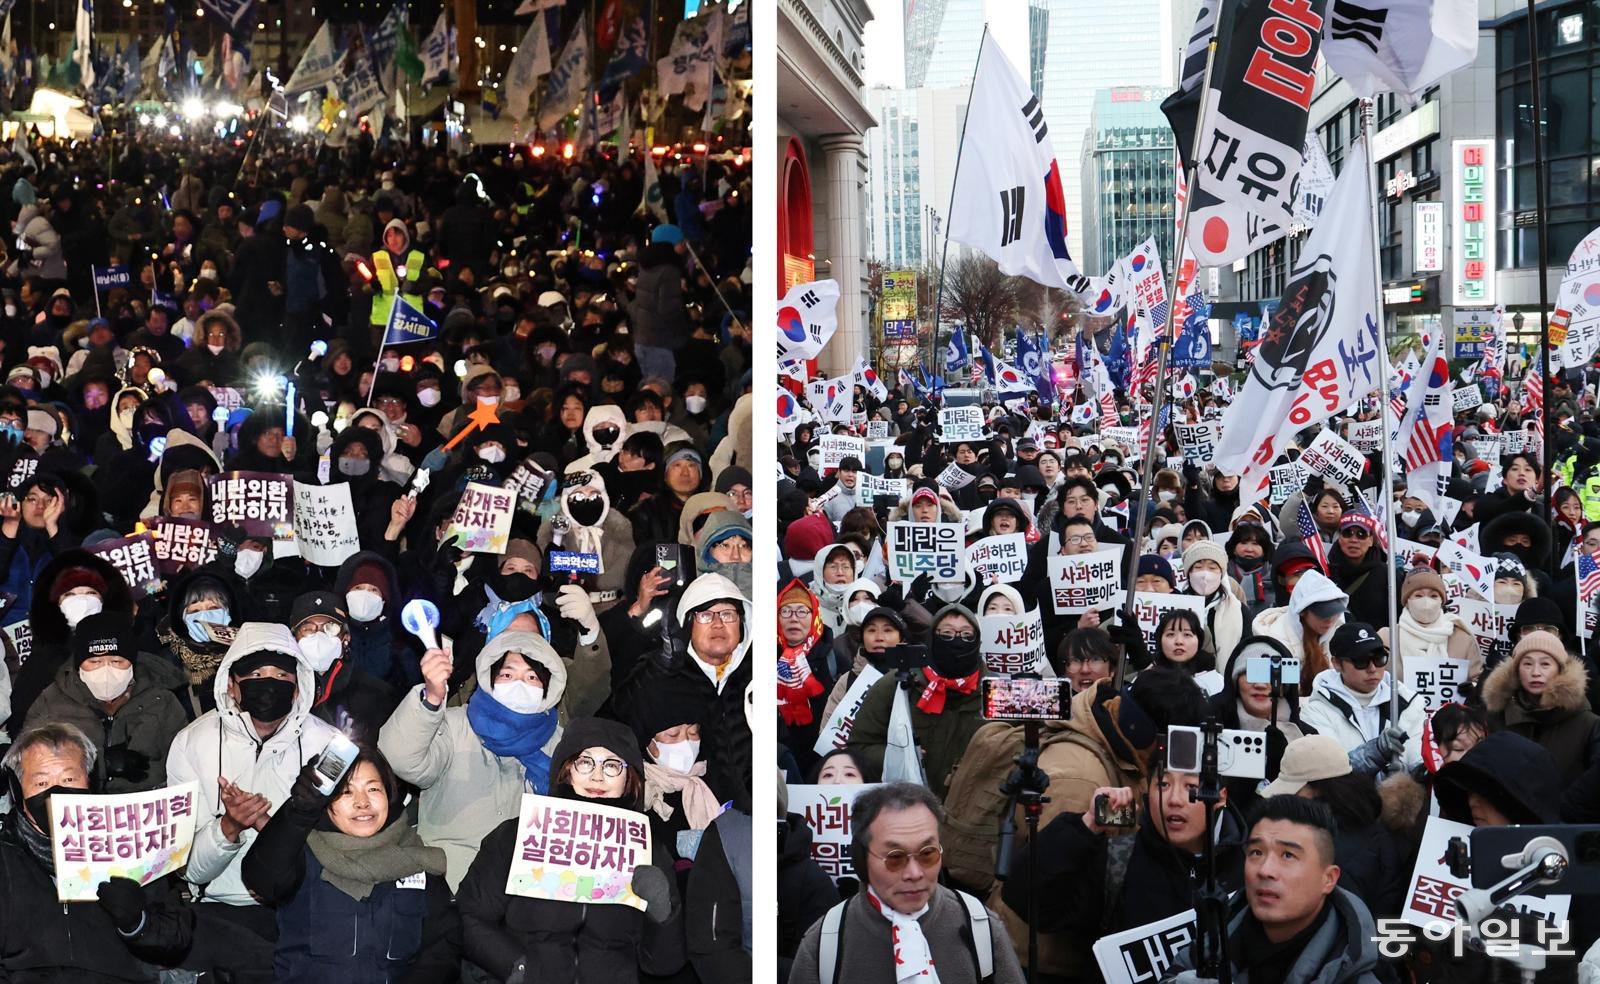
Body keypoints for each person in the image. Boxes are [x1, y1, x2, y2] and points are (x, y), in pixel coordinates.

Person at [164, 622, 339, 984]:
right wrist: (228, 828)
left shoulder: (328, 747)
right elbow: (190, 871)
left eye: (280, 675)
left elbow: (339, 852)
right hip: (218, 910)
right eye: (256, 674)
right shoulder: (191, 743)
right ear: (231, 683)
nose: (268, 683)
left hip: (305, 910)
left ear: (297, 687)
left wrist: (275, 829)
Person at [458, 717, 684, 984]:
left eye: (612, 765)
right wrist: (516, 967)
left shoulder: (647, 849)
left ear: (629, 777)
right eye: (585, 762)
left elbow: (664, 964)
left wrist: (662, 914)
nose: (597, 776)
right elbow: (468, 916)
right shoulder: (515, 836)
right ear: (566, 769)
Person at [241, 748, 461, 982]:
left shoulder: (416, 859)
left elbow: (442, 950)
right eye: (346, 792)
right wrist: (298, 813)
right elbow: (263, 880)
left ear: (390, 794)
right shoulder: (301, 854)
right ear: (325, 803)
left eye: (373, 789)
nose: (362, 802)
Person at [0, 723, 195, 980]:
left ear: (90, 783)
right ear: (17, 791)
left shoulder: (131, 843)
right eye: (41, 782)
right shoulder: (5, 858)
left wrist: (137, 922)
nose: (56, 792)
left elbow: (175, 939)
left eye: (69, 779)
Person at [378, 630, 570, 891]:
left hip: (524, 893)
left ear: (548, 688)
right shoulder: (455, 724)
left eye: (532, 677)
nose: (519, 684)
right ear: (490, 678)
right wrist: (432, 699)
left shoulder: (560, 744)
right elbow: (401, 758)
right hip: (449, 885)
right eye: (507, 674)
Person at [786, 782, 1027, 984]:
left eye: (927, 853)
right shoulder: (825, 942)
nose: (914, 873)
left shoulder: (981, 928)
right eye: (895, 858)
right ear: (861, 860)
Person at [1000, 752, 1245, 942]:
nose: (1174, 800)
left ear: (1220, 797)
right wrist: (1085, 826)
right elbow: (1027, 901)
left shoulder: (1248, 867)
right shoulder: (1118, 861)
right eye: (1163, 784)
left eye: (1191, 787)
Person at [1164, 796, 1383, 984]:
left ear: (1328, 878)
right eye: (1257, 853)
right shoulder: (1213, 942)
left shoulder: (1351, 975)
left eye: (1288, 855)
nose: (1265, 870)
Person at [22, 610, 186, 792]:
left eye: (116, 661)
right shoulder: (50, 704)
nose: (106, 671)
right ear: (79, 665)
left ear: (132, 663)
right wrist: (99, 764)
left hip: (146, 810)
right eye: (94, 662)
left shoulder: (161, 701)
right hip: (81, 811)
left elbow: (185, 763)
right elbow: (31, 764)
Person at [845, 604, 986, 799]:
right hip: (907, 806)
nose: (956, 640)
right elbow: (859, 746)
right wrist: (900, 757)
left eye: (966, 634)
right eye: (947, 633)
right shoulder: (897, 684)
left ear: (977, 641)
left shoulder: (992, 692)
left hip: (973, 814)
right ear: (932, 638)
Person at [1300, 622, 1425, 774]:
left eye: (1379, 658)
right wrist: (1374, 752)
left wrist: (1418, 773)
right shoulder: (1316, 710)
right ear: (1337, 664)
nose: (1372, 669)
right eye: (1360, 661)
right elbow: (1332, 770)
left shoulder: (1408, 702)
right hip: (1346, 797)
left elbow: (1416, 754)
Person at [1480, 629, 1600, 784]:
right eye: (1527, 664)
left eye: (1545, 664)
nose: (1536, 672)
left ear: (1560, 670)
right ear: (1515, 671)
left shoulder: (1589, 724)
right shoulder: (1495, 717)